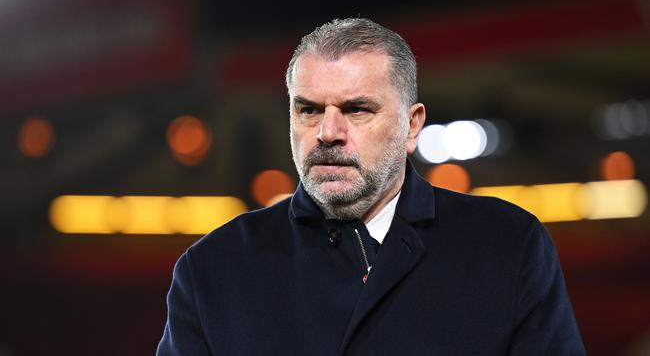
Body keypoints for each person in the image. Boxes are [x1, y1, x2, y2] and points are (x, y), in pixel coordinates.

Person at [157, 18, 586, 355]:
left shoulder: (508, 245)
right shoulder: (211, 270)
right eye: (308, 109)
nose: (327, 131)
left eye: (357, 109)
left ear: (412, 125)